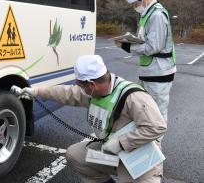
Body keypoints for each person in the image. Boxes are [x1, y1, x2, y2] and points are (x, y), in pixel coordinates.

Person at [16, 55, 167, 183]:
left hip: (139, 162)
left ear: (91, 85)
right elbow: (65, 92)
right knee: (76, 155)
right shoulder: (92, 93)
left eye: (80, 85)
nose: (79, 89)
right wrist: (36, 91)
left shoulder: (133, 96)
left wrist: (122, 143)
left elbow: (157, 127)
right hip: (114, 158)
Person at [115, 0, 176, 124]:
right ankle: (148, 143)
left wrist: (128, 47)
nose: (134, 7)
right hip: (152, 71)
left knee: (157, 114)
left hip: (159, 72)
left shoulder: (156, 15)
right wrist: (130, 41)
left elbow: (153, 47)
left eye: (135, 3)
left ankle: (156, 145)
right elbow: (147, 41)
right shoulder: (148, 14)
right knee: (146, 111)